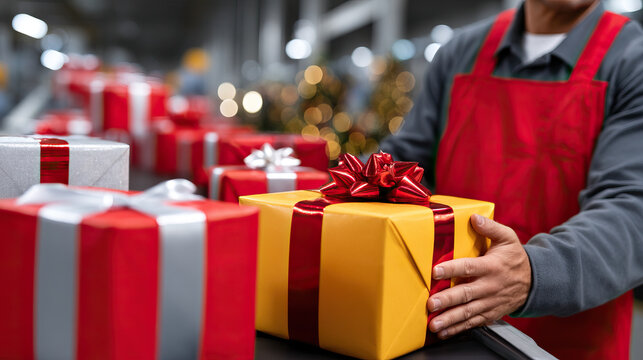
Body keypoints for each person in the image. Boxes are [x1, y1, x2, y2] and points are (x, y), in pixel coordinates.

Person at [379, 0, 643, 358]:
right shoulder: (461, 51)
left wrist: (534, 273)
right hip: (445, 330)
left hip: (569, 343)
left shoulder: (631, 58)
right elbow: (405, 165)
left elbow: (632, 210)